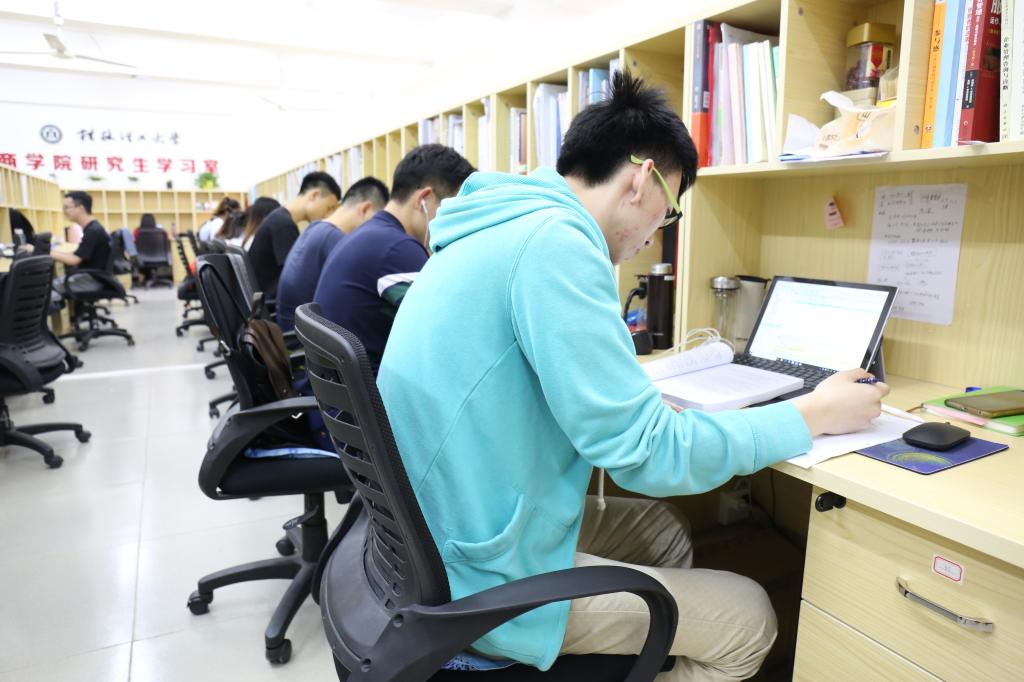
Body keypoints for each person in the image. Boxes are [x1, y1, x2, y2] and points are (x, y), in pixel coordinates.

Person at [377, 71, 890, 679]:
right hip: (475, 579)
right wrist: (812, 414)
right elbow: (646, 457)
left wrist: (631, 408)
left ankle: (645, 652)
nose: (653, 237)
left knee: (660, 528)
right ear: (643, 180)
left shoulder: (499, 223)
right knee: (750, 619)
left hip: (435, 532)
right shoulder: (557, 244)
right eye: (667, 215)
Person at [312, 144, 474, 371]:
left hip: (342, 386)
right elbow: (449, 332)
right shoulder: (397, 248)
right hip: (376, 388)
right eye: (451, 208)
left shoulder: (370, 235)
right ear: (424, 199)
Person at [276, 177, 389, 332]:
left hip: (292, 330)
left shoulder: (316, 228)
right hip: (304, 338)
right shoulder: (335, 239)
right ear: (365, 209)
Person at [247, 172, 340, 299]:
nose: (328, 215)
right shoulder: (283, 225)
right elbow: (296, 276)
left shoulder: (279, 218)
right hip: (271, 303)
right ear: (314, 195)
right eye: (329, 207)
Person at [21, 191, 110, 270]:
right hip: (90, 275)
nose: (64, 212)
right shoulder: (93, 228)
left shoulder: (93, 231)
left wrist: (37, 250)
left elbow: (73, 260)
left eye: (67, 207)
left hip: (90, 278)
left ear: (81, 208)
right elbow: (76, 255)